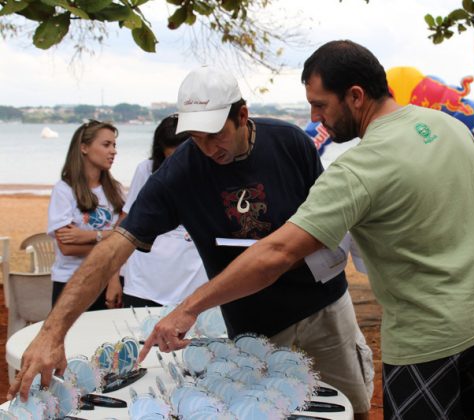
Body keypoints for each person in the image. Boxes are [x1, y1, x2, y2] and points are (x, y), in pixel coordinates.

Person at [137, 40, 474, 418]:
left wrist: (189, 308)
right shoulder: (450, 127)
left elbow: (277, 253)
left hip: (426, 347)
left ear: (355, 96)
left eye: (320, 105)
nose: (316, 118)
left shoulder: (357, 170)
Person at [10, 66, 373, 419]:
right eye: (196, 137)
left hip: (324, 305)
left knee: (351, 402)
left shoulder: (290, 142)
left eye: (216, 134)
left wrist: (188, 307)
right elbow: (115, 246)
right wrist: (52, 332)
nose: (208, 147)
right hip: (253, 322)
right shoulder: (181, 172)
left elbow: (329, 223)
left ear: (242, 115)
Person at [121, 115, 207, 307]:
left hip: (192, 288)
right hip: (142, 285)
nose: (179, 165)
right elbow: (126, 227)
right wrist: (113, 280)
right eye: (172, 159)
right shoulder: (146, 170)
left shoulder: (210, 173)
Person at [47, 120, 124, 311]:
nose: (113, 151)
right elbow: (67, 247)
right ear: (84, 148)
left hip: (108, 281)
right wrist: (111, 239)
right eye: (106, 145)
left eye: (114, 145)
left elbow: (126, 239)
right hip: (71, 282)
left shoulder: (116, 191)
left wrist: (88, 236)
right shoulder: (64, 190)